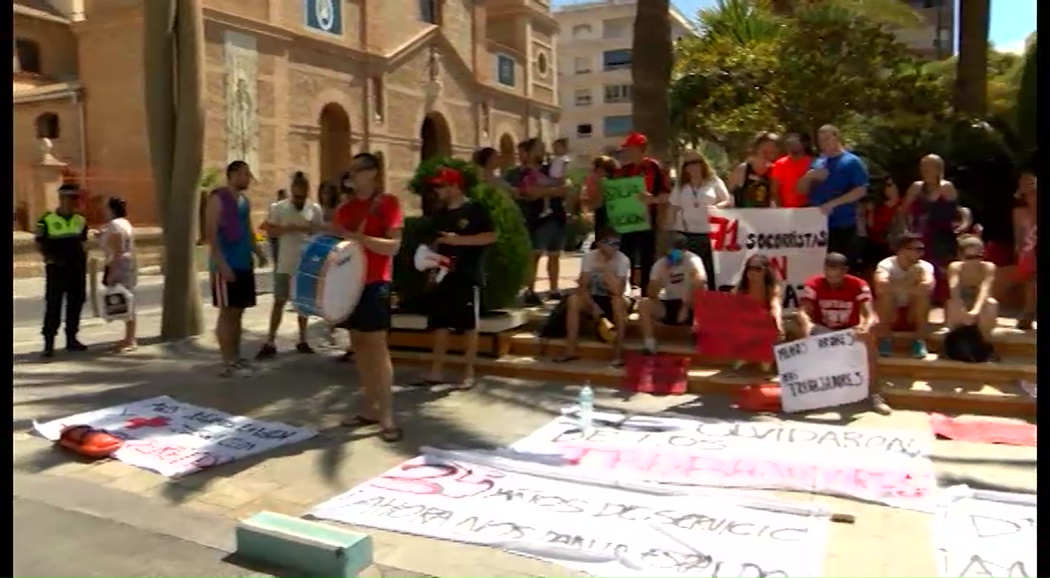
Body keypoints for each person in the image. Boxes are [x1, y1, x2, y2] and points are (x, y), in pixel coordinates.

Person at [329, 152, 403, 443]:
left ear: (372, 172)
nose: (352, 175)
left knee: (377, 346)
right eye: (351, 170)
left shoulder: (388, 204)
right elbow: (337, 247)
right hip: (350, 285)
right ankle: (370, 407)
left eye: (358, 170)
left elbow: (393, 247)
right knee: (358, 345)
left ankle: (387, 416)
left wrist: (357, 237)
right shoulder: (346, 208)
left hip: (376, 283)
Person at [413, 167, 497, 389]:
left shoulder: (475, 210)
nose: (437, 190)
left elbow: (490, 236)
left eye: (441, 186)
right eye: (436, 186)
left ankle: (467, 372)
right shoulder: (439, 214)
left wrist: (458, 241)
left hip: (467, 275)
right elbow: (435, 242)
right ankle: (436, 371)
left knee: (469, 325)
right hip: (442, 276)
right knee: (439, 323)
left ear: (455, 186)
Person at [790, 252, 889, 415]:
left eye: (836, 276)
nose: (832, 280)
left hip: (850, 331)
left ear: (845, 271)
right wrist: (807, 325)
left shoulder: (859, 284)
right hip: (824, 330)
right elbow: (803, 311)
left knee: (869, 341)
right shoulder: (814, 283)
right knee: (798, 329)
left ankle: (873, 394)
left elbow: (869, 313)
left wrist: (865, 326)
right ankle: (807, 396)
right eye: (828, 275)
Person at [204, 161, 269, 377]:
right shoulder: (217, 198)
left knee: (239, 312)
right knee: (227, 313)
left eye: (248, 175)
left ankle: (236, 357)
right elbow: (211, 234)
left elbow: (248, 231)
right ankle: (226, 362)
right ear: (232, 174)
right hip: (226, 265)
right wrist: (221, 264)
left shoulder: (244, 202)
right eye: (244, 174)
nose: (248, 178)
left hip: (243, 263)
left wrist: (258, 252)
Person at [256, 171, 325, 359]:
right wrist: (286, 229)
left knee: (302, 303)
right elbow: (267, 229)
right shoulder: (279, 208)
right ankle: (270, 340)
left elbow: (320, 231)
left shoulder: (314, 209)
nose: (299, 195)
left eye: (303, 191)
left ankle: (303, 339)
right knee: (279, 300)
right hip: (284, 261)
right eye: (296, 190)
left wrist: (306, 229)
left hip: (305, 263)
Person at [555, 228, 631, 366]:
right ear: (600, 243)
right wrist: (592, 305)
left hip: (615, 299)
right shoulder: (589, 258)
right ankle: (570, 349)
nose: (615, 247)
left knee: (618, 302)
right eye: (611, 243)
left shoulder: (623, 260)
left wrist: (607, 270)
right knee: (573, 300)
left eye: (618, 243)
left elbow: (618, 291)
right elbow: (582, 287)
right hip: (594, 298)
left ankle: (618, 354)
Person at [800, 125, 870, 266]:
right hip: (817, 225)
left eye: (827, 139)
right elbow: (801, 190)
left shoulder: (852, 162)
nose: (824, 143)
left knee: (841, 264)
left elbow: (861, 190)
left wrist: (834, 203)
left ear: (837, 137)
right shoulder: (818, 162)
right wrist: (808, 177)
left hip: (843, 223)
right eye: (820, 140)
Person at [36, 183, 90, 358]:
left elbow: (83, 242)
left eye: (77, 198)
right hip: (57, 269)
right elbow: (39, 241)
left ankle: (72, 338)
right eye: (72, 198)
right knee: (54, 305)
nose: (75, 201)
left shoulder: (80, 220)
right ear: (62, 198)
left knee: (76, 302)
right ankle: (49, 342)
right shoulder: (46, 219)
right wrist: (49, 257)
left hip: (76, 268)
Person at [904, 154, 966, 303]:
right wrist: (908, 228)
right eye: (923, 165)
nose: (925, 169)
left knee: (942, 271)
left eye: (929, 166)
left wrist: (962, 225)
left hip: (941, 235)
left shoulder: (946, 187)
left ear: (939, 169)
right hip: (919, 234)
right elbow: (904, 210)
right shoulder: (916, 187)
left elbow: (956, 211)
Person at [667, 149, 730, 290]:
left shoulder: (714, 181)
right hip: (686, 234)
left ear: (703, 164)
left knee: (710, 272)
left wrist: (716, 207)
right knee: (686, 270)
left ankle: (711, 302)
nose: (693, 166)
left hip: (710, 234)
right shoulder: (681, 185)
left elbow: (727, 200)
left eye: (696, 162)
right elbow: (673, 206)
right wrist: (671, 232)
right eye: (688, 163)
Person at [518, 138, 570, 304]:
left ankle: (554, 289)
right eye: (538, 148)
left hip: (557, 216)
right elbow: (531, 192)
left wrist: (547, 191)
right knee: (535, 255)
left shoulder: (551, 168)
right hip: (536, 218)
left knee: (555, 255)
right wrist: (553, 190)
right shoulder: (523, 172)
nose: (543, 151)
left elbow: (566, 188)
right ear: (529, 152)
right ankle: (530, 290)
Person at [616, 132, 670, 291]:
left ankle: (647, 293)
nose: (629, 152)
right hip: (627, 219)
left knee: (647, 256)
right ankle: (627, 291)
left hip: (648, 219)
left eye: (632, 149)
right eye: (627, 149)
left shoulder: (654, 167)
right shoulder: (624, 170)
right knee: (626, 256)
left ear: (642, 149)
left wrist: (652, 199)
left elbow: (667, 194)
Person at [638, 234, 708, 355]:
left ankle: (701, 335)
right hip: (669, 302)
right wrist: (659, 281)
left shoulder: (693, 260)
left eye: (675, 253)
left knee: (702, 294)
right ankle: (649, 345)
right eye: (668, 254)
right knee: (644, 304)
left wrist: (685, 306)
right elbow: (651, 294)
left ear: (684, 251)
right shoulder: (660, 264)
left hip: (689, 302)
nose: (671, 257)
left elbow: (700, 283)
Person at [873, 232, 934, 358]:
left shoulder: (925, 266)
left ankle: (919, 341)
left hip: (913, 312)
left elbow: (927, 287)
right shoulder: (886, 265)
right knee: (885, 295)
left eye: (922, 249)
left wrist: (896, 285)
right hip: (892, 313)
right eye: (917, 249)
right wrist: (909, 282)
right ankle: (886, 340)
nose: (921, 253)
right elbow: (881, 285)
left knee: (923, 297)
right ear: (902, 250)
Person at [729, 254, 783, 376]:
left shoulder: (771, 288)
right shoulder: (740, 289)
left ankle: (764, 363)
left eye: (758, 269)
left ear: (765, 271)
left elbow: (775, 306)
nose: (753, 272)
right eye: (750, 268)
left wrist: (778, 324)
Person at [97, 196, 137, 353]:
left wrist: (112, 273)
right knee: (127, 299)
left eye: (106, 207)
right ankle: (129, 337)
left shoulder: (115, 225)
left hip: (119, 266)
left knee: (126, 301)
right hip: (127, 265)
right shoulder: (123, 223)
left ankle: (130, 340)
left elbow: (117, 249)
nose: (103, 210)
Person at [946, 235, 999, 341]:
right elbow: (954, 288)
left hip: (980, 300)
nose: (975, 261)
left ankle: (985, 344)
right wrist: (962, 310)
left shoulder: (988, 267)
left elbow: (985, 289)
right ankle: (952, 342)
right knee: (953, 304)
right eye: (970, 257)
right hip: (962, 299)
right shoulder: (955, 267)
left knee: (991, 304)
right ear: (961, 256)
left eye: (978, 257)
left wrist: (975, 311)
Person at [864, 179, 906, 272]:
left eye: (890, 185)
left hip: (896, 243)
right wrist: (870, 211)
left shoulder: (904, 204)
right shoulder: (879, 205)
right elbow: (871, 226)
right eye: (886, 185)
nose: (887, 188)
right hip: (877, 243)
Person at [1012, 169, 1037, 330]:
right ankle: (1028, 314)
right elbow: (1019, 236)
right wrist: (1021, 252)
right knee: (1030, 281)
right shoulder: (1018, 212)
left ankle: (1028, 314)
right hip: (1029, 250)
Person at [727, 132, 779, 208]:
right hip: (743, 213)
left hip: (766, 215)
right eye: (765, 151)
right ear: (756, 149)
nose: (767, 155)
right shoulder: (743, 169)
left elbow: (775, 196)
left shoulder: (774, 170)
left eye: (772, 152)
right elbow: (730, 192)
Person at [770, 132, 814, 208]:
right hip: (787, 208)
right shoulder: (780, 164)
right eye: (790, 146)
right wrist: (780, 208)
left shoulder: (811, 163)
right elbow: (775, 190)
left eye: (796, 145)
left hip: (808, 207)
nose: (794, 149)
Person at [582, 155, 619, 240]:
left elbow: (599, 202)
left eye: (597, 169)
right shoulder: (613, 183)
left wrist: (586, 211)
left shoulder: (604, 183)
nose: (595, 172)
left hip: (606, 221)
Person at [266, 189, 288, 267]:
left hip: (281, 236)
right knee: (277, 257)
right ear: (280, 196)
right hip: (276, 236)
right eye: (285, 196)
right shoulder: (275, 206)